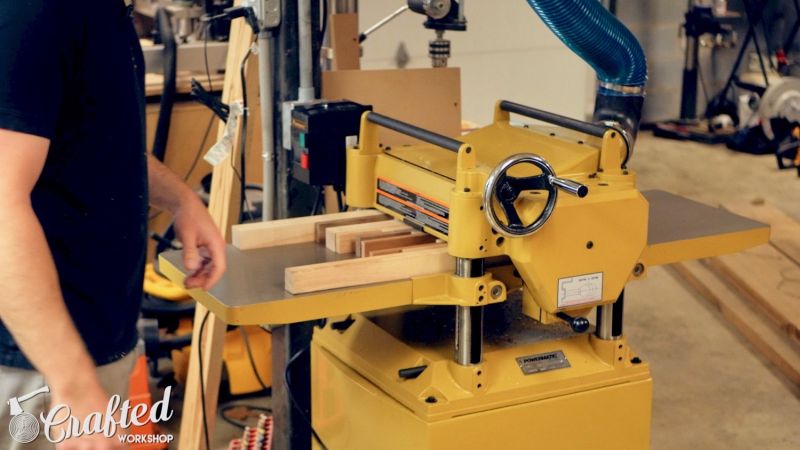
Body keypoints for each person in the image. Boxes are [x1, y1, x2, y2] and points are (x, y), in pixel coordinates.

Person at [0, 1, 227, 449]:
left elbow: (90, 143)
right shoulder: (38, 10)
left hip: (90, 343)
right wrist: (72, 384)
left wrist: (181, 201)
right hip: (36, 363)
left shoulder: (104, 12)